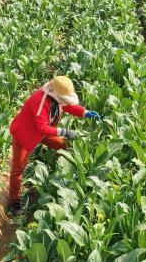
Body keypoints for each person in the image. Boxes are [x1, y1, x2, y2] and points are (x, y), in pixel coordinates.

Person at [7, 76, 101, 213]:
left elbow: (67, 106)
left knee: (63, 145)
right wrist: (65, 132)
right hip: (26, 134)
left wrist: (85, 113)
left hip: (44, 132)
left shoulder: (56, 96)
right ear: (56, 95)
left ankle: (61, 168)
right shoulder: (40, 101)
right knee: (18, 168)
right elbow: (42, 127)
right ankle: (14, 201)